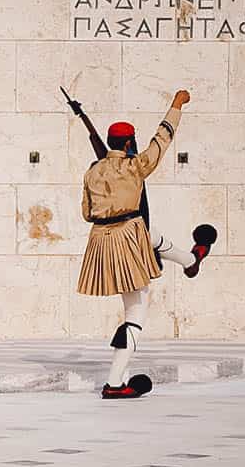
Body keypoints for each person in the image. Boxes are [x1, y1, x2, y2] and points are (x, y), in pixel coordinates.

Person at [77, 90, 215, 398]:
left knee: (151, 238)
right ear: (128, 143)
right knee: (136, 313)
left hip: (101, 241)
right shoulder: (134, 165)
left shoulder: (92, 171)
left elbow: (87, 213)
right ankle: (114, 383)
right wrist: (176, 104)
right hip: (129, 235)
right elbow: (162, 139)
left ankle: (191, 261)